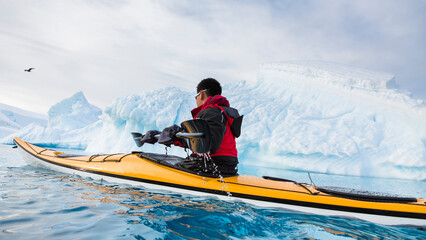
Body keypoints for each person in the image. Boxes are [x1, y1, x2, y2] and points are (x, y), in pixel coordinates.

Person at [152, 78, 242, 176]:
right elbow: (199, 140)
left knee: (163, 169)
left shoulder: (212, 111)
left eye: (196, 97)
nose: (196, 100)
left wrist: (176, 134)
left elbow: (209, 144)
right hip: (227, 165)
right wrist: (173, 138)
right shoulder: (223, 113)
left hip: (211, 164)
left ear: (201, 94)